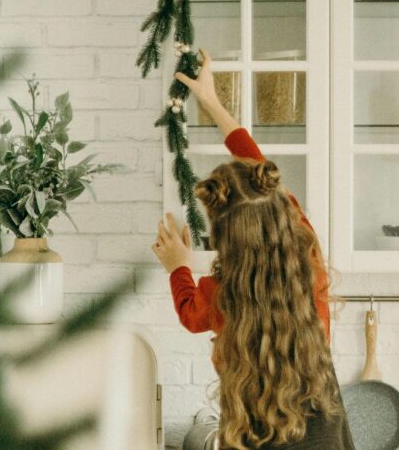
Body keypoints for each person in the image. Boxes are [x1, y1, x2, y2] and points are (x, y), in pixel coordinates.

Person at [152, 50, 355, 450]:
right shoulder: (307, 260)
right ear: (280, 208)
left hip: (251, 436)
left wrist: (179, 267)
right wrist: (214, 103)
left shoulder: (224, 295)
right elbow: (259, 172)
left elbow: (192, 315)